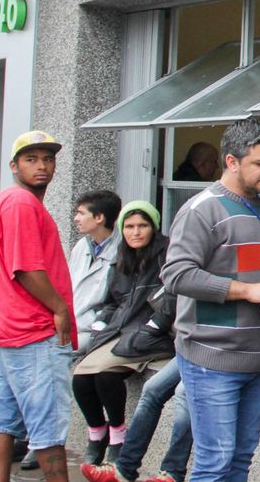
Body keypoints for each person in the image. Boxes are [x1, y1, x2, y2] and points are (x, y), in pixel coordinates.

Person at [162, 118, 260, 482]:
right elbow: (176, 274)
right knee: (214, 463)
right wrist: (246, 291)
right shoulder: (203, 210)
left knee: (241, 459)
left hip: (259, 358)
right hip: (211, 358)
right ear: (231, 162)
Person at [0, 130, 75, 482]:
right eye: (31, 159)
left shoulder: (9, 200)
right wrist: (60, 309)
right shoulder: (21, 203)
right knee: (48, 431)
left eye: (48, 159)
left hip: (10, 330)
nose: (42, 166)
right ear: (14, 165)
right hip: (33, 332)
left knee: (3, 420)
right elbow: (26, 269)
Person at [74, 201, 174, 472]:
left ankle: (118, 434)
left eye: (142, 226)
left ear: (153, 228)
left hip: (151, 334)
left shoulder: (166, 255)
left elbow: (174, 296)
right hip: (119, 330)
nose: (136, 232)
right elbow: (111, 301)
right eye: (129, 226)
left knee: (106, 377)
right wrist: (101, 321)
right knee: (81, 379)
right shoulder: (122, 257)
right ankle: (97, 432)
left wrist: (156, 325)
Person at [69, 191, 121, 373]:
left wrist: (95, 322)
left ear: (99, 218)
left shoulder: (122, 250)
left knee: (58, 353)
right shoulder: (82, 245)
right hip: (70, 323)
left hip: (93, 328)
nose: (76, 218)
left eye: (81, 213)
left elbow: (118, 301)